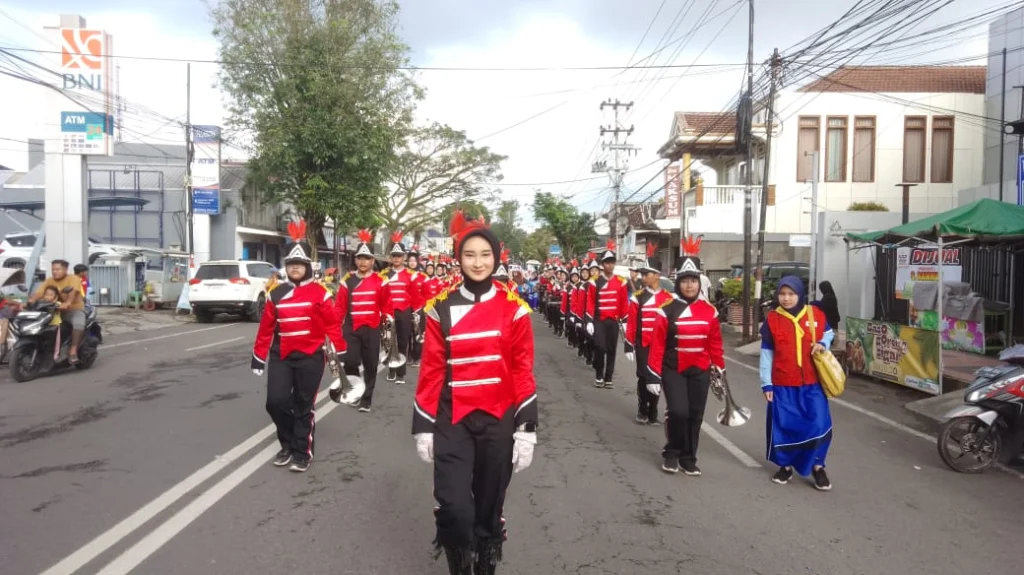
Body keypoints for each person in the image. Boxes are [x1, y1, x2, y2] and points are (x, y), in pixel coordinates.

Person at [412, 210, 538, 575]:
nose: (478, 262)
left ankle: (485, 560)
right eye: (470, 254)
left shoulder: (514, 308)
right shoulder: (440, 308)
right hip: (453, 418)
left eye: (485, 254)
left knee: (488, 505)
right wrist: (423, 424)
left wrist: (526, 427)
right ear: (459, 258)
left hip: (500, 419)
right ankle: (458, 559)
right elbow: (432, 369)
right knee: (453, 506)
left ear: (496, 257)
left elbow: (522, 371)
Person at [251, 220, 346, 472]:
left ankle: (301, 450)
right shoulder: (276, 293)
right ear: (286, 267)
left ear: (306, 268)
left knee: (304, 405)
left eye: (299, 265)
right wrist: (258, 356)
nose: (295, 268)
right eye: (291, 264)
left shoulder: (320, 293)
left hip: (311, 357)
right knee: (275, 402)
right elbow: (266, 329)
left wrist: (341, 351)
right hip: (281, 355)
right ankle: (288, 441)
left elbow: (332, 325)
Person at [645, 236, 724, 475]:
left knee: (696, 414)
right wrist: (652, 376)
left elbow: (715, 343)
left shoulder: (710, 311)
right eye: (685, 281)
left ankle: (689, 457)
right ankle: (672, 452)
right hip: (673, 368)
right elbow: (657, 345)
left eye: (693, 281)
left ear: (699, 283)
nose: (690, 286)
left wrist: (719, 367)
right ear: (678, 283)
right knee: (678, 411)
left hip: (700, 370)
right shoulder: (666, 310)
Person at [760, 275, 835, 491]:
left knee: (819, 424)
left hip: (812, 384)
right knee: (785, 427)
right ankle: (785, 466)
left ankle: (818, 467)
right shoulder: (773, 320)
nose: (786, 298)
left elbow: (829, 333)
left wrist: (822, 342)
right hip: (782, 383)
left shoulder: (815, 314)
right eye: (782, 294)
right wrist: (767, 384)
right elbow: (767, 354)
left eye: (791, 294)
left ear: (800, 294)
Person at [332, 229, 393, 413]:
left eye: (367, 258)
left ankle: (367, 400)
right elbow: (339, 309)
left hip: (373, 329)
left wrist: (388, 329)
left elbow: (387, 308)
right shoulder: (347, 281)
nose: (363, 262)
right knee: (350, 361)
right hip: (351, 328)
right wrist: (332, 329)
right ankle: (355, 392)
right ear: (355, 260)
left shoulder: (381, 282)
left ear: (372, 261)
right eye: (360, 258)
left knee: (371, 365)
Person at [624, 243, 671, 425]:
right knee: (644, 377)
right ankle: (642, 409)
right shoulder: (638, 296)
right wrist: (629, 344)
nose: (643, 277)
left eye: (646, 274)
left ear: (657, 275)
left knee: (658, 377)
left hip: (663, 346)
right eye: (642, 274)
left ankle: (653, 412)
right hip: (643, 344)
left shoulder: (669, 298)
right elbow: (632, 323)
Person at [586, 241, 629, 389]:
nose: (610, 265)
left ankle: (608, 377)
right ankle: (599, 375)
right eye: (607, 263)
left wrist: (625, 320)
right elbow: (590, 302)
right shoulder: (594, 281)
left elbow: (624, 303)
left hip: (614, 321)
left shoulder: (621, 282)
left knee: (611, 349)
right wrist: (589, 320)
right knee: (600, 347)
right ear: (602, 264)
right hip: (599, 320)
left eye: (612, 262)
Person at [382, 231, 423, 384]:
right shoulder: (384, 274)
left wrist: (417, 314)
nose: (397, 259)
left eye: (399, 256)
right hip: (388, 314)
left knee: (403, 342)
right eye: (394, 256)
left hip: (404, 313)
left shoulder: (410, 275)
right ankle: (391, 370)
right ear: (391, 258)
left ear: (404, 257)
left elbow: (415, 297)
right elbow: (381, 296)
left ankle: (401, 374)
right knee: (389, 343)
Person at [28, 260, 85, 364]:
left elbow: (73, 291)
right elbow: (39, 293)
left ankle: (73, 350)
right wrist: (30, 301)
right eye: (53, 269)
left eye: (58, 269)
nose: (55, 272)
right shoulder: (50, 280)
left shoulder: (73, 278)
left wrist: (67, 302)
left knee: (78, 324)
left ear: (65, 269)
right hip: (53, 311)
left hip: (72, 309)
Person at [407, 246, 427, 366]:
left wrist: (422, 308)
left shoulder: (423, 277)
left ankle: (417, 357)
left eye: (414, 261)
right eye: (410, 261)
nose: (412, 263)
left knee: (418, 334)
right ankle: (408, 356)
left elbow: (427, 294)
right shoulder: (404, 275)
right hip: (406, 309)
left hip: (419, 309)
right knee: (407, 334)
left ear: (417, 262)